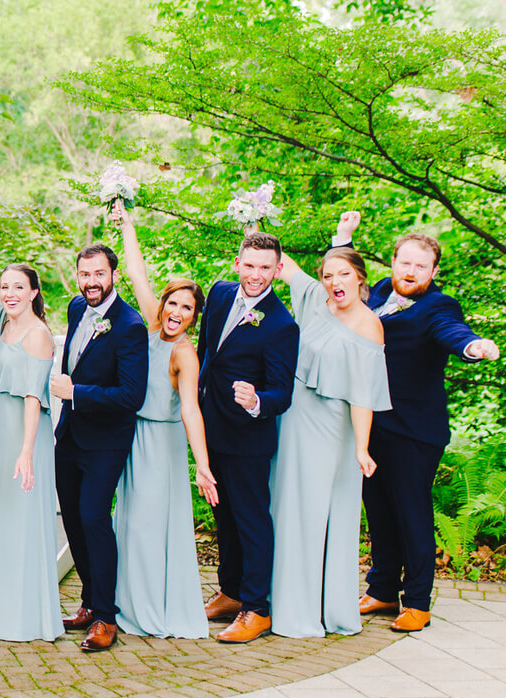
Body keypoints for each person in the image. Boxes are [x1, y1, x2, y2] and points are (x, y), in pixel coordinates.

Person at [349, 216, 499, 633]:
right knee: (377, 511)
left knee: (411, 514)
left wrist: (474, 346)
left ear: (433, 272)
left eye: (419, 266)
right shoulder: (380, 292)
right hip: (372, 427)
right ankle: (381, 589)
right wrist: (343, 240)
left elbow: (452, 332)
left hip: (414, 432)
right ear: (393, 263)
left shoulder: (439, 307)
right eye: (404, 263)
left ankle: (416, 602)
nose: (409, 271)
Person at [266, 220, 389, 639]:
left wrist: (361, 448)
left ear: (361, 280)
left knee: (319, 512)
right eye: (328, 275)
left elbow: (363, 396)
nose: (335, 282)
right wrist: (253, 219)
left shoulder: (369, 326)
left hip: (331, 428)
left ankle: (321, 608)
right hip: (293, 419)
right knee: (287, 506)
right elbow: (282, 267)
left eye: (344, 275)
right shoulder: (315, 300)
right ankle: (284, 602)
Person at [111, 203, 213, 640]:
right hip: (132, 437)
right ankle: (126, 603)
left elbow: (191, 409)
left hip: (162, 445)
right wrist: (127, 224)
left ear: (195, 316)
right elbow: (136, 273)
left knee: (149, 527)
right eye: (173, 303)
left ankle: (153, 610)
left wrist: (202, 466)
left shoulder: (184, 354)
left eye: (186, 308)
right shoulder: (152, 326)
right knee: (128, 523)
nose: (175, 312)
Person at [196, 231, 299, 644]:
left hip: (247, 438)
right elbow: (208, 354)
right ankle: (231, 591)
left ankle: (257, 609)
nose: (256, 275)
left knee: (251, 521)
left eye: (265, 268)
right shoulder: (220, 294)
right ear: (238, 263)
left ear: (277, 270)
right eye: (250, 265)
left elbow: (282, 392)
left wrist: (257, 399)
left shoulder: (281, 325)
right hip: (211, 428)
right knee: (223, 518)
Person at [0, 223, 63, 643]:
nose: (9, 293)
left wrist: (26, 452)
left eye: (18, 287)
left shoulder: (39, 335)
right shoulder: (0, 323)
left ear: (34, 292)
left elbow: (32, 398)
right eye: (6, 287)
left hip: (25, 432)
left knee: (22, 519)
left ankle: (24, 615)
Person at [50, 243, 148, 652]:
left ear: (114, 275)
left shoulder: (129, 325)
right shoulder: (76, 308)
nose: (91, 282)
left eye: (98, 275)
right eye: (85, 274)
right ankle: (89, 602)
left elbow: (131, 395)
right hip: (70, 435)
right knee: (72, 520)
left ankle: (106, 617)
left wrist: (77, 392)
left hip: (106, 441)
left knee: (93, 518)